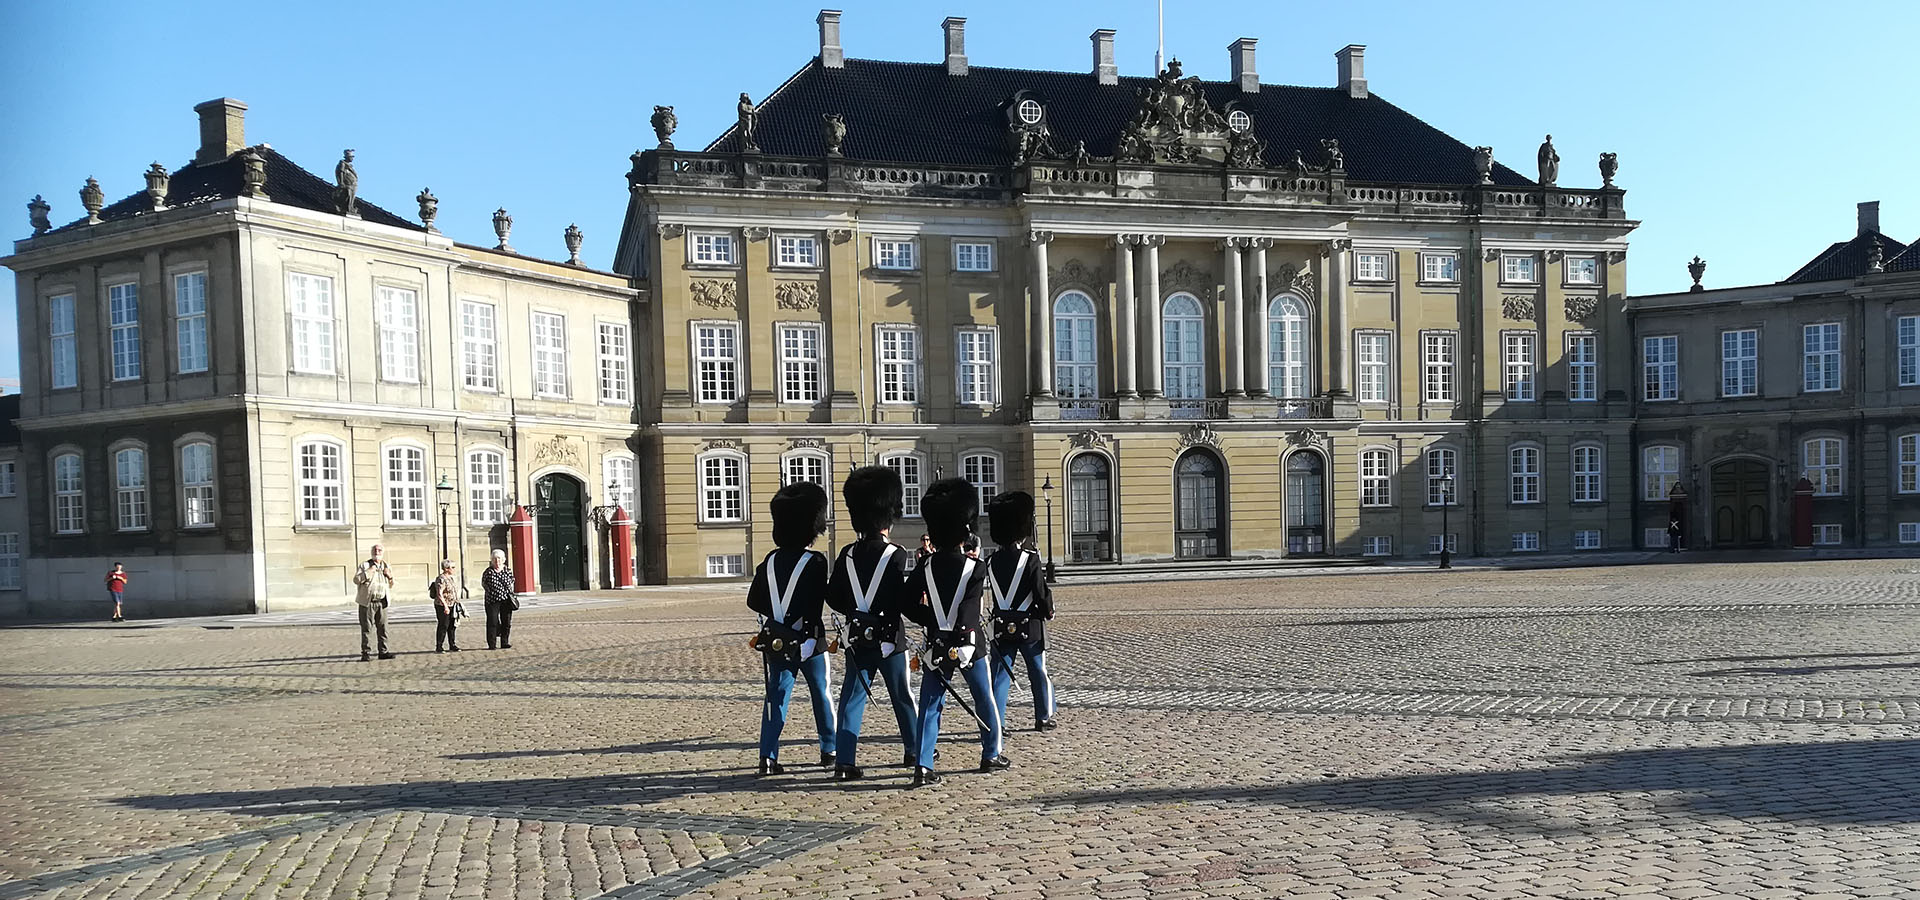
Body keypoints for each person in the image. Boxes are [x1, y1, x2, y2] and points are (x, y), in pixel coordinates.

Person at [903, 477, 1006, 787]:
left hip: (936, 644)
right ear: (965, 529)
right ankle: (990, 754)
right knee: (983, 699)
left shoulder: (925, 566)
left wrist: (932, 620)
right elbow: (970, 609)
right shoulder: (975, 567)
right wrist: (961, 635)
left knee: (930, 706)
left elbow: (906, 603)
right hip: (970, 645)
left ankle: (923, 764)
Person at [825, 466, 919, 780]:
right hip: (890, 637)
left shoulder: (847, 554)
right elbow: (900, 599)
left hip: (857, 637)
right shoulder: (896, 554)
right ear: (888, 516)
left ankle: (845, 761)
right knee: (902, 696)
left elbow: (834, 596)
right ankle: (914, 750)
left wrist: (856, 608)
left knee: (851, 698)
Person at [748, 481, 837, 775]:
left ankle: (768, 756)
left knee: (776, 696)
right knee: (821, 694)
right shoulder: (815, 561)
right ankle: (829, 748)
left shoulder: (769, 561)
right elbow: (815, 602)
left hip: (778, 641)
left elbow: (754, 600)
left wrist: (777, 617)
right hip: (809, 639)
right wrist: (806, 631)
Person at [985, 492, 1058, 733]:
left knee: (1000, 676)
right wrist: (1048, 610)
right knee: (1038, 672)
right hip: (1029, 625)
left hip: (1002, 625)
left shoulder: (991, 560)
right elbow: (1040, 591)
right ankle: (1043, 716)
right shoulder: (1030, 559)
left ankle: (997, 720)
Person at [353, 544, 396, 661]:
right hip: (368, 602)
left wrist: (390, 576)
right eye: (375, 550)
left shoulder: (386, 566)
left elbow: (391, 585)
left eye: (380, 550)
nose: (377, 551)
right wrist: (368, 572)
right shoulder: (365, 565)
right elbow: (356, 580)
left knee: (383, 628)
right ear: (371, 552)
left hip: (382, 602)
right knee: (366, 628)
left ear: (383, 552)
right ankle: (366, 653)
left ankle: (383, 651)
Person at [482, 549, 517, 649]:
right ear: (492, 560)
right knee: (492, 622)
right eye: (495, 559)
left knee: (506, 621)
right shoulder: (488, 572)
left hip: (506, 600)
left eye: (499, 559)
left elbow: (512, 582)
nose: (497, 561)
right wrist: (493, 592)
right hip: (492, 600)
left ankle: (504, 641)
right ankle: (492, 643)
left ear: (503, 560)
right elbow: (484, 584)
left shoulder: (507, 570)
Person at [431, 559, 462, 652]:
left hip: (453, 604)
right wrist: (445, 606)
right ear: (446, 568)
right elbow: (439, 593)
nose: (453, 569)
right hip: (442, 605)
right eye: (452, 567)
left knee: (452, 625)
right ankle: (439, 646)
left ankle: (452, 644)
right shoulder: (441, 579)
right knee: (444, 625)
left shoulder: (452, 577)